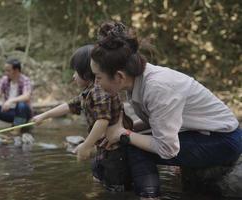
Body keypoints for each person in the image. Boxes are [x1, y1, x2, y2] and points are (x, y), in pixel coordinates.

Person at [90, 21, 242, 199]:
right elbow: (153, 121)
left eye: (98, 77)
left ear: (119, 76)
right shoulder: (138, 81)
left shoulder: (158, 88)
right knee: (131, 141)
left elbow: (167, 148)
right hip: (201, 133)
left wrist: (124, 134)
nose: (95, 84)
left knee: (134, 147)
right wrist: (121, 130)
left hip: (222, 141)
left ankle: (149, 195)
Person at [32, 45, 132, 192]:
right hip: (105, 149)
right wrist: (44, 115)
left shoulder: (99, 90)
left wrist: (86, 145)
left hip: (115, 150)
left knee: (115, 188)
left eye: (75, 72)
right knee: (98, 176)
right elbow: (70, 105)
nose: (73, 76)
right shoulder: (89, 91)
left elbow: (102, 121)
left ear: (86, 74)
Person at [0, 59, 32, 133]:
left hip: (23, 114)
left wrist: (10, 100)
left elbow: (26, 96)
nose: (6, 73)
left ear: (16, 70)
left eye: (8, 71)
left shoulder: (25, 80)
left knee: (21, 105)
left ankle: (16, 131)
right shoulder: (4, 80)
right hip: (8, 112)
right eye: (5, 70)